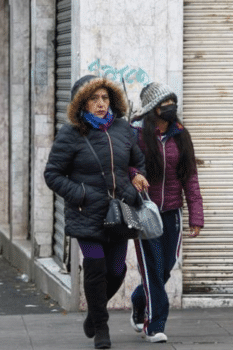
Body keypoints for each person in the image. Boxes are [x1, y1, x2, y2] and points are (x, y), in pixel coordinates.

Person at [44, 75, 148, 349]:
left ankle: (93, 313)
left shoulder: (123, 130)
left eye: (104, 98)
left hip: (119, 212)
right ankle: (101, 328)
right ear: (82, 103)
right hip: (87, 215)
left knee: (116, 271)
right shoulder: (71, 134)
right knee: (94, 268)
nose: (101, 104)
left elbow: (137, 162)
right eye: (94, 99)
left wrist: (136, 178)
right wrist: (82, 194)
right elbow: (52, 174)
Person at [127, 82, 204, 343]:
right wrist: (134, 174)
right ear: (152, 109)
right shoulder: (135, 134)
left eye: (173, 102)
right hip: (145, 213)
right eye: (165, 103)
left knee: (165, 267)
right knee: (154, 269)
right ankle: (155, 325)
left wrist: (196, 215)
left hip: (172, 213)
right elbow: (123, 164)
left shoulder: (181, 135)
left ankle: (139, 299)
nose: (171, 107)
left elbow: (190, 178)